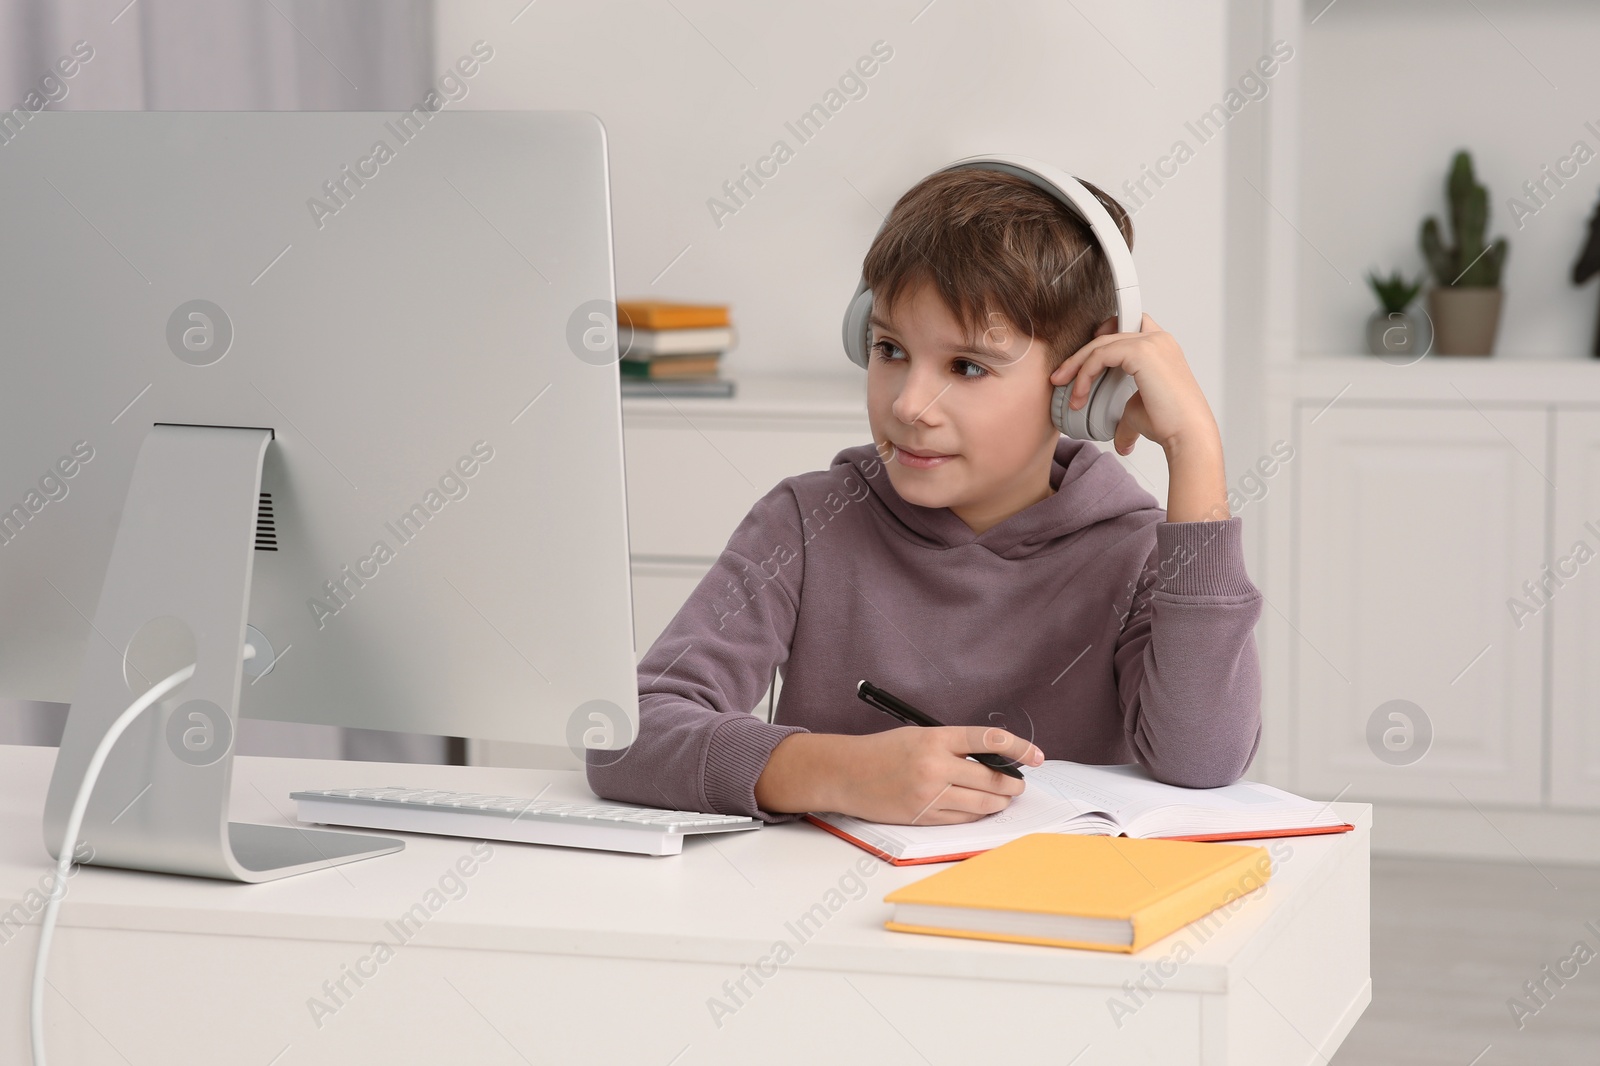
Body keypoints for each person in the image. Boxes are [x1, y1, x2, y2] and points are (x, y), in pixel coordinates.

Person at [589, 167, 1262, 826]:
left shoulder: (1137, 551)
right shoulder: (805, 523)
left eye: (967, 367)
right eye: (890, 349)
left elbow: (1201, 759)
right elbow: (627, 737)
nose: (910, 404)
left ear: (1080, 385)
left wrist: (1193, 450)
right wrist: (838, 771)